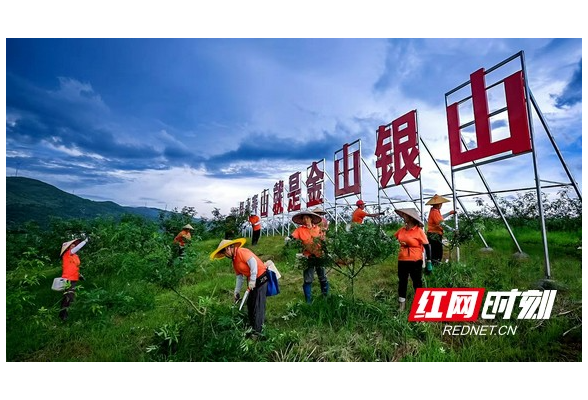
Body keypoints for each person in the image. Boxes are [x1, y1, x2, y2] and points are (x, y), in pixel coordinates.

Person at [210, 238, 268, 337]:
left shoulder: (242, 252)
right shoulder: (234, 260)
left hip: (260, 277)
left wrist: (253, 280)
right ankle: (252, 327)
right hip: (251, 281)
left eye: (224, 253)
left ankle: (258, 332)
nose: (225, 255)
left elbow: (253, 263)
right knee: (250, 304)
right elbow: (239, 277)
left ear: (228, 248)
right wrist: (236, 291)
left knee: (257, 304)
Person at [394, 208, 431, 312]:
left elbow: (427, 246)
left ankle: (422, 305)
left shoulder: (418, 231)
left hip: (415, 261)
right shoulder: (401, 230)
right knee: (402, 282)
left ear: (410, 218)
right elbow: (392, 240)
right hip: (402, 260)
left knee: (417, 282)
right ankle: (402, 305)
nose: (403, 217)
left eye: (405, 216)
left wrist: (429, 261)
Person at [287, 210, 329, 303]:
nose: (305, 220)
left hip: (319, 255)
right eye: (303, 218)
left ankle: (325, 297)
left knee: (322, 277)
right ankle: (308, 302)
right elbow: (293, 236)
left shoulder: (318, 229)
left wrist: (325, 249)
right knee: (308, 280)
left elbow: (323, 241)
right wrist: (289, 238)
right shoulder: (300, 230)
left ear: (311, 219)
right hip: (308, 256)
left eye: (307, 218)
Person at [59, 237, 89, 321]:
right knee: (68, 297)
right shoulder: (67, 254)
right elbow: (78, 248)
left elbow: (74, 266)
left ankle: (63, 314)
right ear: (68, 248)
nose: (73, 247)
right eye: (71, 246)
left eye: (73, 245)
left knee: (68, 297)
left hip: (74, 278)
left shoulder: (75, 256)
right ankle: (63, 315)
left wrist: (79, 275)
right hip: (67, 278)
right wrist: (85, 241)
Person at [425, 194, 456, 266]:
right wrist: (452, 230)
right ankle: (435, 266)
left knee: (435, 250)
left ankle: (434, 265)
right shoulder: (435, 212)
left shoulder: (435, 211)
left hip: (433, 234)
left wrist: (449, 213)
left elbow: (440, 218)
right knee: (437, 252)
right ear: (437, 204)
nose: (441, 205)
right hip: (434, 234)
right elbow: (441, 223)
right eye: (440, 203)